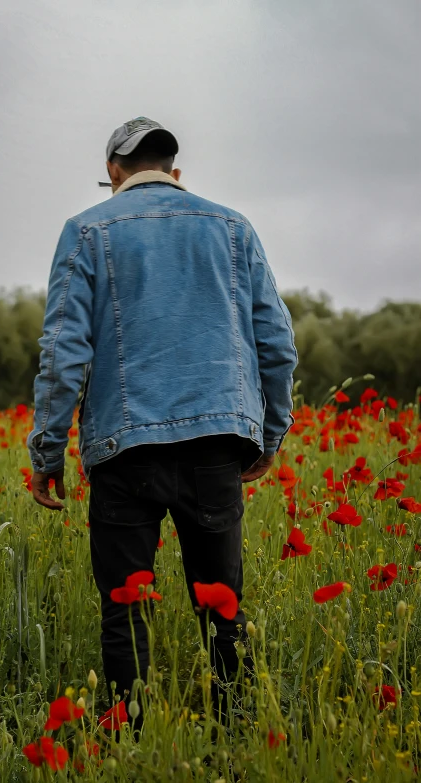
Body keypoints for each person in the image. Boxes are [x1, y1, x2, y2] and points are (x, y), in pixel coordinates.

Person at [28, 116, 298, 717]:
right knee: (222, 607)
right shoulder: (232, 227)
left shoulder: (85, 231)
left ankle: (128, 741)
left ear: (113, 173)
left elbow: (62, 354)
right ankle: (239, 740)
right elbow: (278, 344)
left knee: (125, 609)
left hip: (125, 454)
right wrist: (269, 436)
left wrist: (47, 453)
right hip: (216, 446)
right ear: (175, 173)